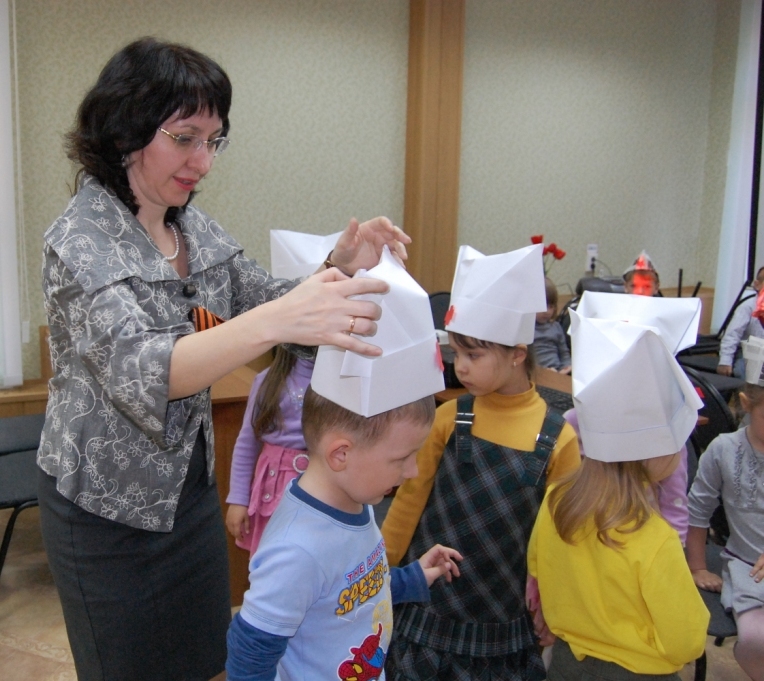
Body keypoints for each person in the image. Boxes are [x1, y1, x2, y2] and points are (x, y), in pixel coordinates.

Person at [36, 37, 411, 681]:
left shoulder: (191, 227)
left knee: (204, 658)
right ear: (125, 130)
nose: (203, 162)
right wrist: (279, 318)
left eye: (213, 141)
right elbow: (149, 370)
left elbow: (266, 301)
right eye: (185, 139)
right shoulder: (81, 240)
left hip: (185, 495)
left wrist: (337, 269)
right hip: (105, 509)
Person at [227, 253, 461, 680]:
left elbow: (351, 586)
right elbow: (251, 650)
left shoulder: (355, 500)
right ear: (341, 454)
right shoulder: (297, 551)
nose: (412, 471)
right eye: (401, 458)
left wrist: (410, 579)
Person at [382, 244, 581, 680]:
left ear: (517, 353)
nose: (462, 368)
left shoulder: (558, 438)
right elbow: (409, 501)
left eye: (474, 356)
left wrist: (554, 605)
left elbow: (561, 538)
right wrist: (381, 573)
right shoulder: (449, 417)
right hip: (430, 607)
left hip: (501, 610)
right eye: (457, 354)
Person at [529, 313, 709, 681]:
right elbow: (686, 640)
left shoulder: (556, 500)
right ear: (655, 450)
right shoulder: (653, 537)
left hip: (566, 664)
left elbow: (538, 569)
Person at [563, 290, 697, 543]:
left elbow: (674, 503)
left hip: (648, 547)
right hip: (583, 539)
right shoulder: (573, 425)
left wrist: (676, 549)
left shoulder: (668, 438)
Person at [686, 344, 764, 681]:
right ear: (747, 404)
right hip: (748, 567)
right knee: (756, 639)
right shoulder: (723, 450)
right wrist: (698, 567)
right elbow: (698, 510)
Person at [226, 346, 313, 556]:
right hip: (275, 492)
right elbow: (247, 442)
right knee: (274, 559)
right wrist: (238, 499)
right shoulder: (268, 381)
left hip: (323, 488)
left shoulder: (342, 381)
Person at [717, 266, 764, 378]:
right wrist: (725, 361)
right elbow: (732, 335)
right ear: (757, 285)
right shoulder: (748, 307)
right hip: (750, 353)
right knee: (744, 370)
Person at [534, 277, 571, 374]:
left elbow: (564, 353)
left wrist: (566, 367)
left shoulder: (556, 327)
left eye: (551, 306)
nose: (547, 311)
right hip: (537, 373)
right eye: (543, 306)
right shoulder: (525, 329)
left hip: (558, 371)